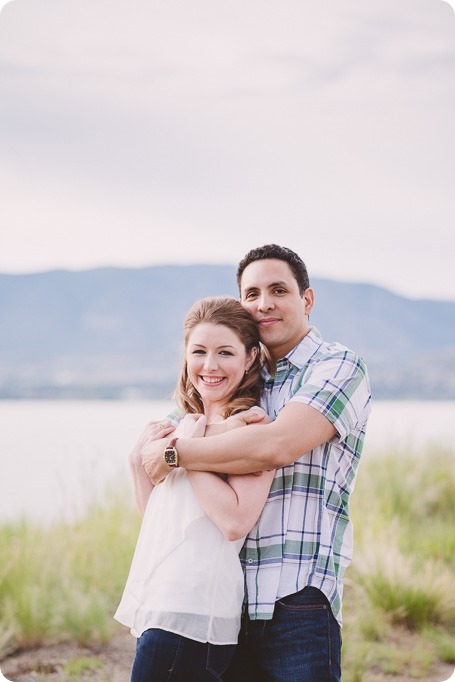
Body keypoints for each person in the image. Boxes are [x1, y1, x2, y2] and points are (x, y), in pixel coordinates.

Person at [139, 244, 372, 681]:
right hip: (223, 601)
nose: (263, 303)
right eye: (252, 293)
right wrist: (161, 447)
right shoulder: (238, 371)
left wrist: (176, 453)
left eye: (278, 289)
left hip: (296, 596)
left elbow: (276, 445)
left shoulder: (337, 367)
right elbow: (159, 469)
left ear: (307, 299)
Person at [114, 296, 275, 681]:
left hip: (196, 613)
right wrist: (137, 464)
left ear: (250, 357)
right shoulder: (183, 424)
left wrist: (187, 451)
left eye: (225, 352)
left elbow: (235, 521)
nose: (210, 365)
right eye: (199, 351)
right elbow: (161, 523)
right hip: (161, 606)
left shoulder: (251, 428)